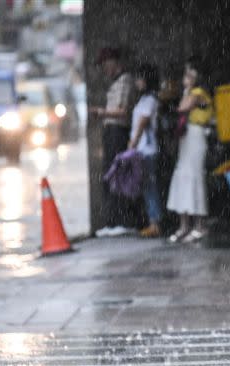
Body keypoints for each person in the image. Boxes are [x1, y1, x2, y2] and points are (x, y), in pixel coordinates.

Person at [90, 47, 137, 237]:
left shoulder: (125, 80)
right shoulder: (115, 82)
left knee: (119, 175)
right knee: (110, 175)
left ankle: (122, 220)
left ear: (113, 62)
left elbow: (123, 111)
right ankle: (112, 221)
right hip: (110, 131)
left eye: (105, 65)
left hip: (119, 131)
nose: (104, 69)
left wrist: (101, 112)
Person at [166, 57, 214, 243]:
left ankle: (199, 225)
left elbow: (183, 107)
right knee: (182, 177)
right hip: (186, 139)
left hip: (196, 136)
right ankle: (184, 226)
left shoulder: (198, 92)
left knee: (195, 178)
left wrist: (186, 91)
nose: (186, 77)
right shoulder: (189, 91)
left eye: (190, 73)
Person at [128, 63, 162, 238]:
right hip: (142, 149)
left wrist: (132, 143)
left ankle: (155, 222)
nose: (137, 81)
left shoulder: (150, 100)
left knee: (150, 186)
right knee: (146, 185)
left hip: (147, 149)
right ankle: (151, 220)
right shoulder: (143, 99)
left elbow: (142, 122)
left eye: (140, 78)